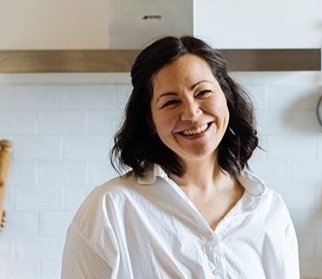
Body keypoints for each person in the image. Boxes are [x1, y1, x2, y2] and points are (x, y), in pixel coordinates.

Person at [61, 36, 299, 279]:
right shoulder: (110, 210)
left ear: (226, 97)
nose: (192, 113)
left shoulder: (269, 210)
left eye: (203, 92)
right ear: (149, 120)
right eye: (171, 102)